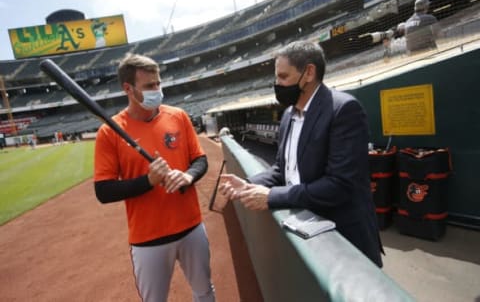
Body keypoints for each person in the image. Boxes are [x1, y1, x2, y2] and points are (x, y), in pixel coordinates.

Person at [219, 40, 383, 267]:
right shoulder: (287, 114)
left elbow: (340, 185)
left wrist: (271, 196)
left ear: (309, 73)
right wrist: (248, 184)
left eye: (283, 77)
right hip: (304, 231)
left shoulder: (344, 109)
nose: (277, 84)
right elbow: (282, 169)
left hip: (343, 238)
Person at [94, 53, 215, 302]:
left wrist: (188, 176)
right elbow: (103, 191)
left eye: (158, 83)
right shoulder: (110, 132)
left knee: (204, 292)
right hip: (148, 239)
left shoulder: (178, 116)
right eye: (149, 86)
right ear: (128, 88)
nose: (157, 90)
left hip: (191, 227)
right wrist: (148, 181)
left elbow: (200, 160)